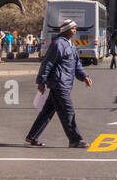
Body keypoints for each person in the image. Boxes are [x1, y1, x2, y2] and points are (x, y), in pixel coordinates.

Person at [26, 19, 91, 148]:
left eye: (75, 28)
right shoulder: (58, 44)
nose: (75, 30)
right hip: (58, 83)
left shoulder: (70, 44)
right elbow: (47, 63)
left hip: (65, 84)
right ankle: (75, 139)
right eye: (73, 28)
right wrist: (41, 81)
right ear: (65, 30)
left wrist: (84, 76)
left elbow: (76, 64)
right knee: (68, 111)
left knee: (47, 112)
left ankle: (32, 137)